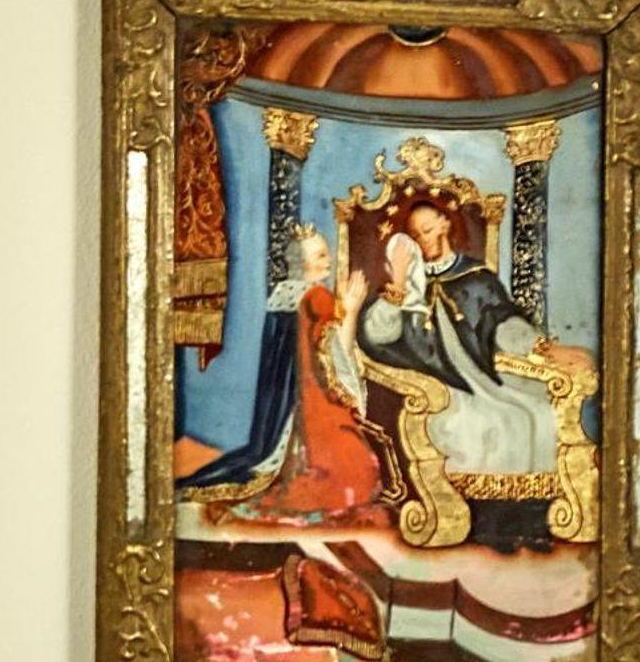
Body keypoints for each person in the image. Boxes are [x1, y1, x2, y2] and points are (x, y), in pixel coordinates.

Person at [179, 226, 386, 523]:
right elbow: (335, 358)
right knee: (358, 474)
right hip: (317, 403)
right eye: (321, 255)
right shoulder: (318, 297)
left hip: (285, 414)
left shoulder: (282, 295)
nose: (329, 260)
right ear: (303, 264)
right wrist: (351, 310)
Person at [354, 200, 572, 475]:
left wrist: (543, 348)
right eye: (416, 235)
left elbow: (501, 325)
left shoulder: (476, 278)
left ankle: (524, 495)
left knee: (539, 412)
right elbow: (378, 335)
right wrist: (398, 283)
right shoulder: (409, 286)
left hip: (481, 375)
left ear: (444, 224)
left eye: (427, 230)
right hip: (439, 383)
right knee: (498, 421)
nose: (422, 240)